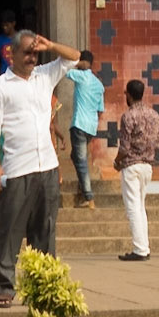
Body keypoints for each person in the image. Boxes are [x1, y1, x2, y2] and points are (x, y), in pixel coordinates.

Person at [0, 28, 80, 308]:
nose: (32, 58)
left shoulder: (45, 75)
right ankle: (4, 288)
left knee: (45, 232)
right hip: (16, 170)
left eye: (35, 53)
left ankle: (43, 286)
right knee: (10, 232)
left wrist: (50, 45)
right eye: (27, 52)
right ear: (10, 53)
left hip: (47, 168)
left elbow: (74, 57)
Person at [114, 79, 159, 262]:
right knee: (141, 207)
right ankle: (144, 245)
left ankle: (140, 248)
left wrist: (117, 161)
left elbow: (124, 147)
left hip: (131, 165)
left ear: (129, 94)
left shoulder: (128, 116)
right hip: (147, 165)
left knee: (133, 208)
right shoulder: (154, 115)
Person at [64, 50, 104, 209]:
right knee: (76, 156)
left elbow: (65, 70)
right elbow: (101, 110)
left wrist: (76, 62)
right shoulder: (99, 84)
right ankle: (82, 188)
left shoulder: (81, 76)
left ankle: (89, 196)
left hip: (79, 124)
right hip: (91, 127)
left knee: (80, 161)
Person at [0, 11, 19, 80]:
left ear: (13, 24)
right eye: (3, 25)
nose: (4, 27)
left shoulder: (21, 38)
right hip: (4, 75)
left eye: (7, 25)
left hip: (19, 74)